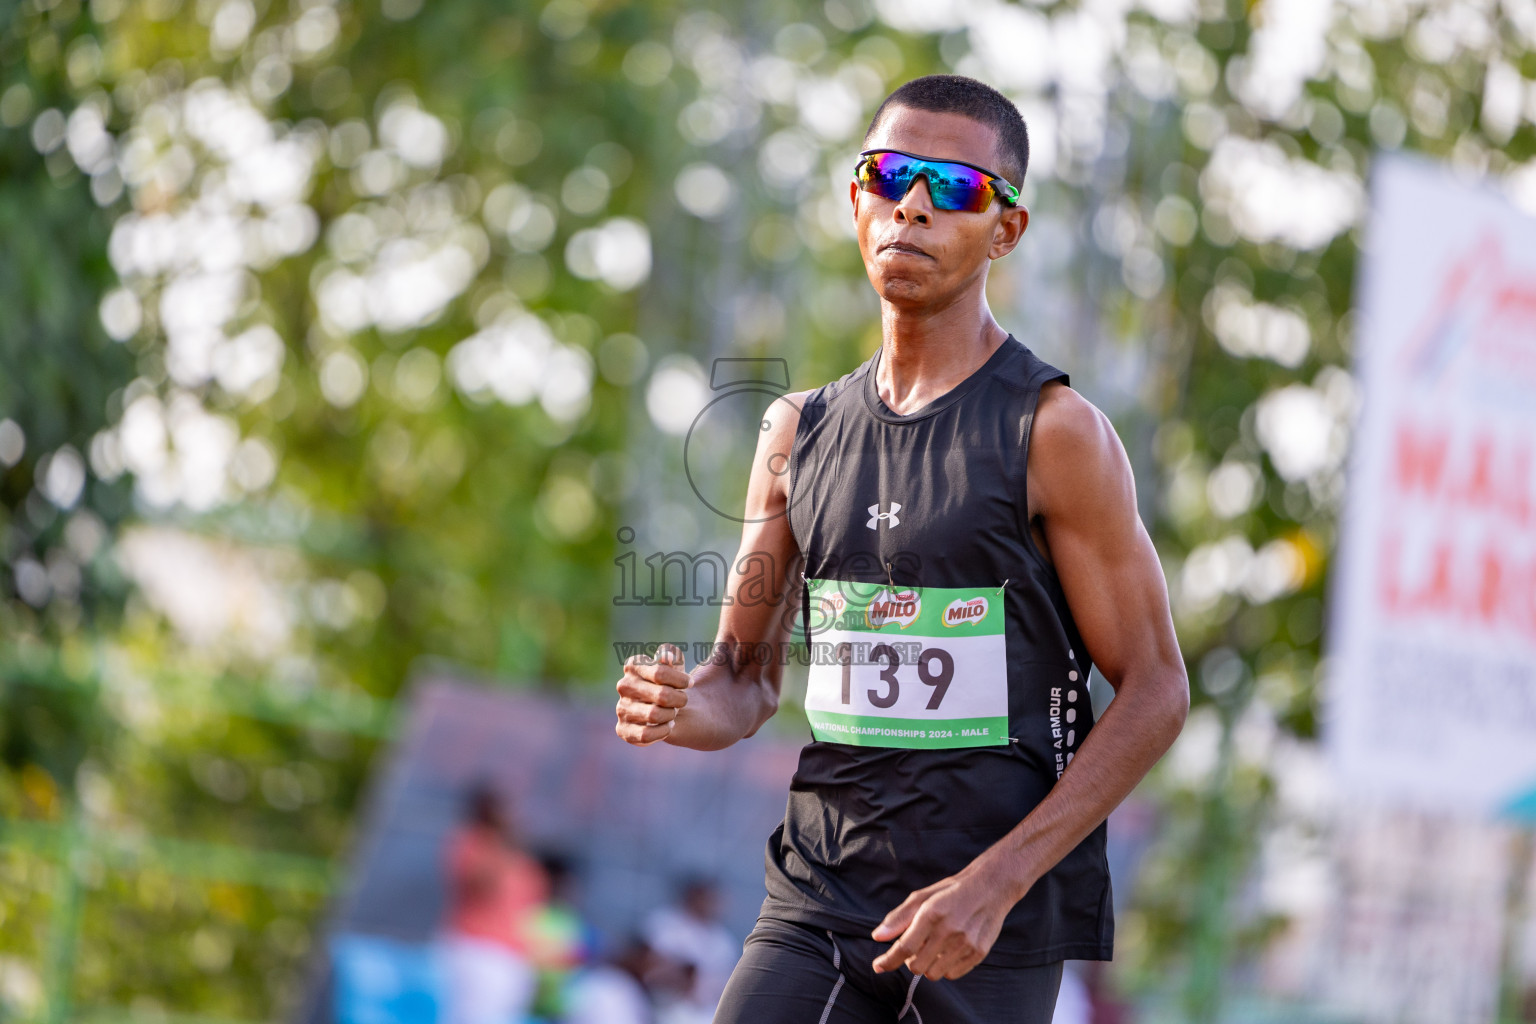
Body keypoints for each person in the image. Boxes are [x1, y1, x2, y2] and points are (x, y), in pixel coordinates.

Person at [615, 74, 1188, 1023]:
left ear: (1006, 228)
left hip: (984, 919)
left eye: (956, 188)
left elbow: (1158, 690)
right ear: (857, 201)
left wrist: (996, 882)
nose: (913, 204)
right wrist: (680, 705)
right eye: (890, 175)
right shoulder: (795, 433)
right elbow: (744, 682)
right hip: (819, 892)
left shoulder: (1056, 434)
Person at [437, 782, 548, 1024]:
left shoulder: (523, 858)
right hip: (476, 952)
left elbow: (531, 912)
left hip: (512, 960)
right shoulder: (471, 842)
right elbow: (480, 884)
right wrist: (501, 843)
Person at [641, 878, 740, 1015]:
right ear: (691, 896)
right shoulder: (664, 922)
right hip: (661, 1001)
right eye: (703, 897)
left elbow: (725, 983)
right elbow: (652, 965)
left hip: (705, 1009)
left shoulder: (724, 940)